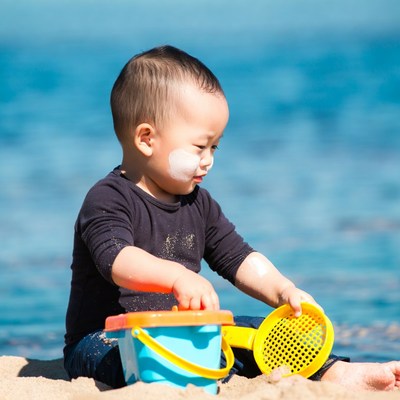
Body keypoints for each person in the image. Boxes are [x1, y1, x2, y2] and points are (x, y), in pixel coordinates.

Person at [63, 45, 400, 392]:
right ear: (147, 139)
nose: (209, 160)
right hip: (106, 337)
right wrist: (177, 277)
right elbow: (115, 259)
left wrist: (283, 291)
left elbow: (240, 259)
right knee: (139, 358)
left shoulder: (199, 204)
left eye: (215, 147)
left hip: (183, 330)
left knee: (258, 331)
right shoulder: (107, 198)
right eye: (200, 147)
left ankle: (337, 374)